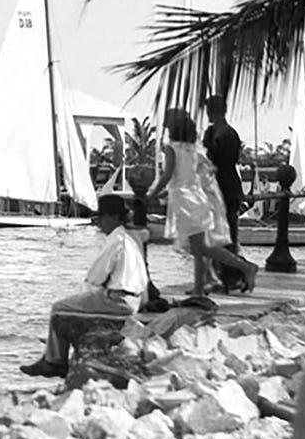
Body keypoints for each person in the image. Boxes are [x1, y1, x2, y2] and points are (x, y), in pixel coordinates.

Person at [19, 193, 148, 378]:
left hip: (117, 300)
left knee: (59, 309)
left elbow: (95, 277)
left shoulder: (116, 241)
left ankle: (54, 361)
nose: (100, 222)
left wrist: (78, 298)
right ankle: (52, 354)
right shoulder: (128, 239)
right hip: (130, 299)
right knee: (70, 305)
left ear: (114, 217)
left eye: (102, 217)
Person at [152, 108, 258, 298]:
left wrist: (153, 193)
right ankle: (201, 287)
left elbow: (168, 175)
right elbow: (208, 171)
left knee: (199, 248)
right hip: (198, 199)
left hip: (184, 201)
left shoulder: (171, 149)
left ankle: (243, 267)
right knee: (199, 248)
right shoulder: (196, 150)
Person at [202, 95, 247, 291]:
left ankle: (232, 276)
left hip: (224, 189)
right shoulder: (217, 132)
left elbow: (219, 161)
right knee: (220, 236)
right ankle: (223, 276)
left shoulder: (224, 135)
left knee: (226, 237)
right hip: (222, 188)